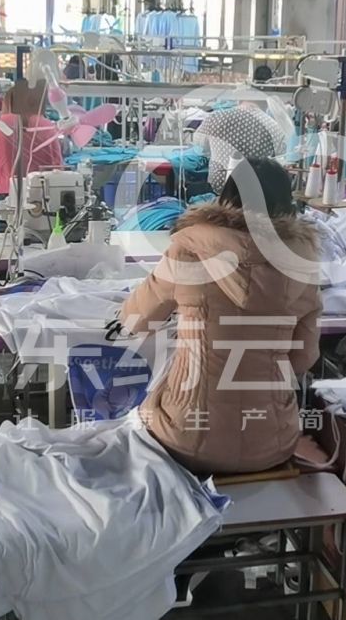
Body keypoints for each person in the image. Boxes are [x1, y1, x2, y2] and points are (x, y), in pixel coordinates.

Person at [120, 157, 321, 475]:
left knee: (142, 403)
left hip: (186, 436)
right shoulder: (302, 263)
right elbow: (303, 358)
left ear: (225, 196)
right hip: (272, 441)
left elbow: (136, 321)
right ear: (287, 203)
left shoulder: (189, 248)